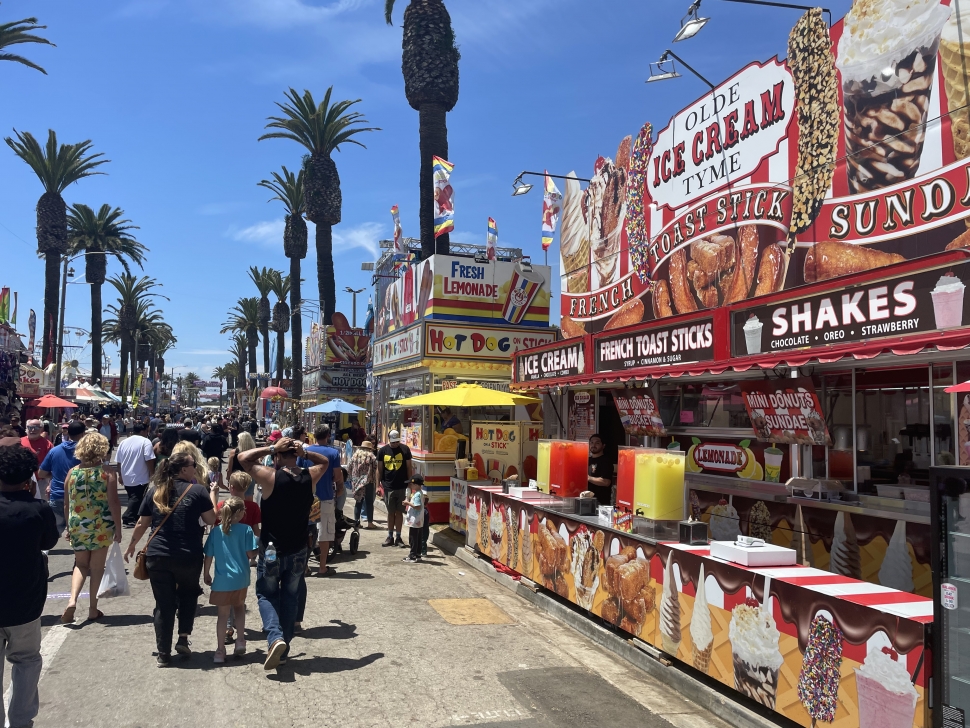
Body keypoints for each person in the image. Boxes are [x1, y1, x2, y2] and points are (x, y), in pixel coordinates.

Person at [238, 436, 331, 669]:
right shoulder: (309, 477)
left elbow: (242, 458)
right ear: (296, 455)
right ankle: (284, 647)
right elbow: (326, 462)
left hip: (271, 549)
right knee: (290, 596)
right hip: (299, 548)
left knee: (266, 594)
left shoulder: (270, 477)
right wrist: (306, 452)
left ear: (278, 456)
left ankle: (275, 638)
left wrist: (271, 447)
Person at [124, 451, 216, 667]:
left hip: (158, 555)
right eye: (193, 465)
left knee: (163, 604)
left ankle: (163, 653)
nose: (195, 468)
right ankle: (183, 637)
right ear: (184, 469)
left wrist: (132, 545)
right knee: (188, 594)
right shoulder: (198, 491)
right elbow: (211, 519)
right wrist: (213, 496)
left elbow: (142, 522)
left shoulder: (154, 491)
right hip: (187, 554)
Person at [0, 443, 58, 728]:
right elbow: (48, 542)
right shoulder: (38, 509)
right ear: (30, 478)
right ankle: (21, 720)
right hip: (25, 600)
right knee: (26, 660)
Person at [60, 433, 122, 624]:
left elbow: (67, 503)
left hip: (78, 523)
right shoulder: (107, 472)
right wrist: (118, 529)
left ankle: (72, 601)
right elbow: (113, 502)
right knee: (96, 568)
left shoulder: (72, 472)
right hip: (101, 525)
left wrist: (69, 526)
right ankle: (93, 609)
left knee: (80, 564)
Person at [203, 497, 259, 663]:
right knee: (240, 608)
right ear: (240, 513)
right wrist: (259, 549)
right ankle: (240, 641)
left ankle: (220, 651)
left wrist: (206, 574)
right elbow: (251, 554)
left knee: (222, 616)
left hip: (222, 581)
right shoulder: (247, 530)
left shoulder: (215, 532)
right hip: (241, 578)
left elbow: (208, 556)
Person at [300, 425, 342, 575]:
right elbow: (338, 477)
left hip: (306, 498)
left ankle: (304, 566)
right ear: (328, 436)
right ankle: (322, 567)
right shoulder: (333, 453)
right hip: (325, 497)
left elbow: (298, 473)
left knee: (306, 532)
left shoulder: (305, 452)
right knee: (324, 533)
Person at [38, 420, 85, 534]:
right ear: (83, 434)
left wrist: (55, 474)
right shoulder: (86, 453)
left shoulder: (55, 450)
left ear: (68, 433)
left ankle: (44, 550)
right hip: (80, 496)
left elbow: (41, 473)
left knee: (53, 531)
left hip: (57, 494)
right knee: (80, 532)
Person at [117, 421, 157, 528]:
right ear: (143, 431)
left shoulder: (124, 442)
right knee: (136, 497)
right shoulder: (146, 441)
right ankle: (128, 517)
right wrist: (152, 472)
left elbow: (118, 461)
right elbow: (149, 459)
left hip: (126, 475)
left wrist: (120, 474)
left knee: (133, 496)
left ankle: (134, 517)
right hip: (140, 475)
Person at [377, 430, 413, 548]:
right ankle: (390, 536)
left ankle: (398, 537)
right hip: (388, 486)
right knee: (390, 512)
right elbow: (379, 469)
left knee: (399, 512)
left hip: (402, 485)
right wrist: (378, 485)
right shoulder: (383, 451)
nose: (395, 444)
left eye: (397, 442)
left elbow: (409, 467)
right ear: (389, 440)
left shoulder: (405, 450)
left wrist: (410, 482)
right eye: (393, 442)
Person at [350, 438, 378, 528]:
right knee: (369, 502)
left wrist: (352, 478)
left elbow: (349, 467)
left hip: (357, 482)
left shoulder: (355, 456)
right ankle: (370, 523)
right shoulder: (371, 457)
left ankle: (356, 522)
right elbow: (375, 469)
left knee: (358, 502)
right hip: (368, 482)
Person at [21, 419, 52, 498]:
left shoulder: (47, 444)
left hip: (41, 481)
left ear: (41, 429)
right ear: (26, 428)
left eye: (36, 427)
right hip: (22, 480)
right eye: (30, 427)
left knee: (41, 504)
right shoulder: (19, 442)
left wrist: (50, 484)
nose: (33, 430)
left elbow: (53, 464)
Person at [226, 431, 257, 500]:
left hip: (236, 477)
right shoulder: (253, 452)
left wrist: (228, 479)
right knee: (249, 499)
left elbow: (229, 468)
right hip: (249, 477)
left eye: (238, 440)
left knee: (236, 500)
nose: (237, 441)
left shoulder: (234, 452)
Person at [587, 433, 615, 505]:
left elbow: (606, 482)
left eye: (597, 443)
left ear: (603, 446)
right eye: (592, 443)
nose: (593, 445)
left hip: (600, 503)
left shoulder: (606, 461)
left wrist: (588, 478)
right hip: (585, 501)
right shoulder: (586, 460)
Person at [402, 476, 425, 563]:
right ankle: (418, 554)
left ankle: (413, 556)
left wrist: (407, 503)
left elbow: (417, 506)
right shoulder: (419, 493)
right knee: (418, 538)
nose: (410, 486)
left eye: (411, 484)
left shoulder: (417, 495)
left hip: (414, 521)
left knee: (413, 538)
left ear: (415, 485)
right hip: (418, 521)